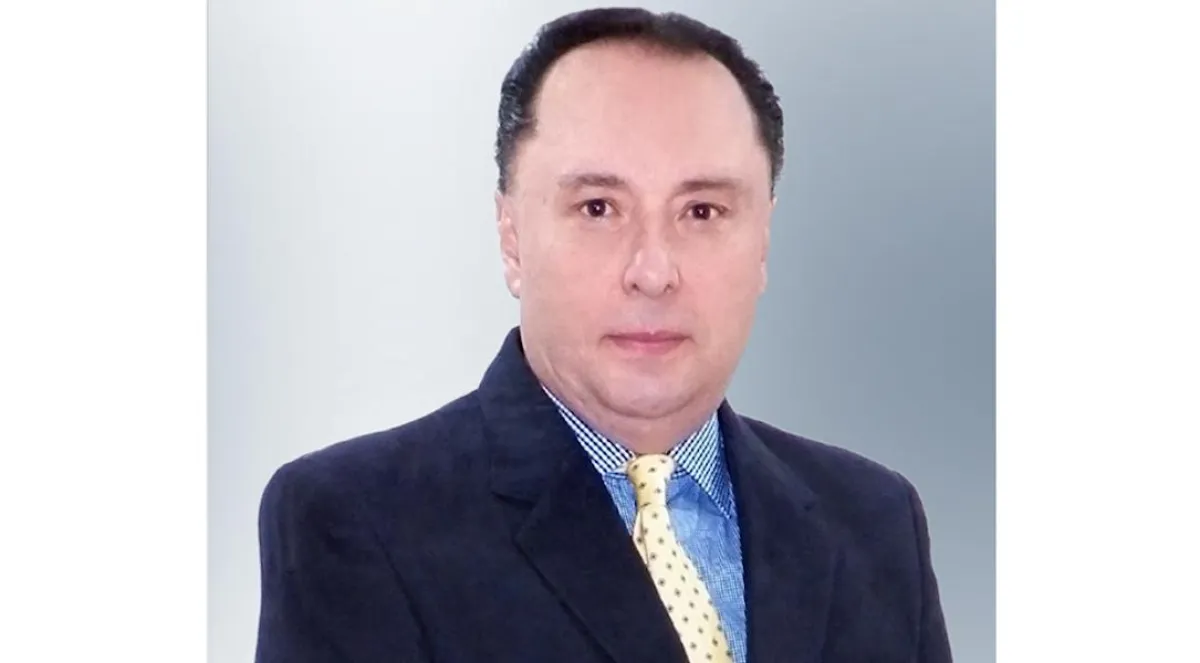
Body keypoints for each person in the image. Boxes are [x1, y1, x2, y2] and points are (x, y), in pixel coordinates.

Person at [254, 7, 952, 663]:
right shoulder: (357, 521)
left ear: (763, 240)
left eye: (702, 211)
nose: (653, 271)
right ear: (512, 237)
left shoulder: (875, 521)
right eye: (598, 208)